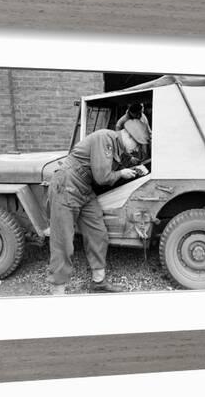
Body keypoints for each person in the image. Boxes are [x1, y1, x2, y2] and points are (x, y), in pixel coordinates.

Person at [47, 119, 150, 295]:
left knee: (98, 233)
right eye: (136, 144)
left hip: (84, 188)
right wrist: (121, 174)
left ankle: (98, 282)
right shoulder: (105, 139)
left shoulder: (117, 145)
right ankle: (58, 292)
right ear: (127, 135)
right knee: (63, 241)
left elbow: (115, 163)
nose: (136, 149)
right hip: (67, 186)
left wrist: (132, 167)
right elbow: (102, 178)